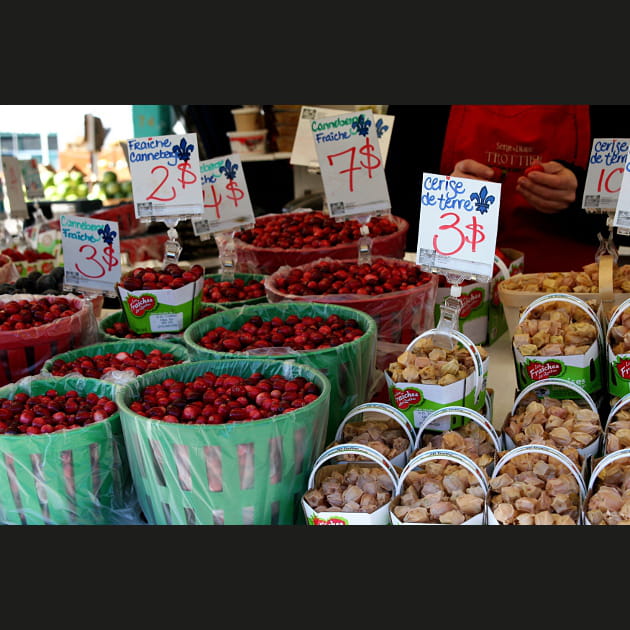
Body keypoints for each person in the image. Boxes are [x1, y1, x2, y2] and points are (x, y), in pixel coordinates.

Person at [384, 105, 630, 273]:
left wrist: (582, 195)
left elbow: (624, 211)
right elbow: (394, 213)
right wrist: (447, 194)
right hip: (459, 285)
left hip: (576, 289)